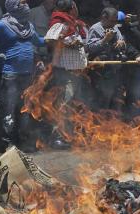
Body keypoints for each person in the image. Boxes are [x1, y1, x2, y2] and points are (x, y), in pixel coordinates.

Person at [0, 0, 45, 149]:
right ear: (12, 6)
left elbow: (39, 41)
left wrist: (53, 39)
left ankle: (23, 142)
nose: (26, 6)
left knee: (24, 110)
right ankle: (7, 144)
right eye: (22, 3)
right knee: (9, 111)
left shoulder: (28, 26)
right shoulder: (1, 24)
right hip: (10, 75)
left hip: (27, 75)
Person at [44, 0, 88, 149]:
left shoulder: (73, 24)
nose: (77, 8)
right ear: (71, 9)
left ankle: (68, 136)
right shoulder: (60, 22)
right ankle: (57, 138)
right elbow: (50, 39)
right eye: (75, 6)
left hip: (75, 72)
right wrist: (67, 42)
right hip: (64, 72)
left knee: (72, 106)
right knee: (63, 105)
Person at [87, 7, 140, 111]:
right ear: (104, 18)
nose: (114, 24)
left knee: (116, 101)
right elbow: (90, 49)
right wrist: (104, 40)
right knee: (101, 101)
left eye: (115, 21)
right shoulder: (95, 29)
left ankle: (113, 124)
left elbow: (121, 41)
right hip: (101, 73)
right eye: (112, 21)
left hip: (115, 71)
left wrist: (121, 42)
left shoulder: (115, 27)